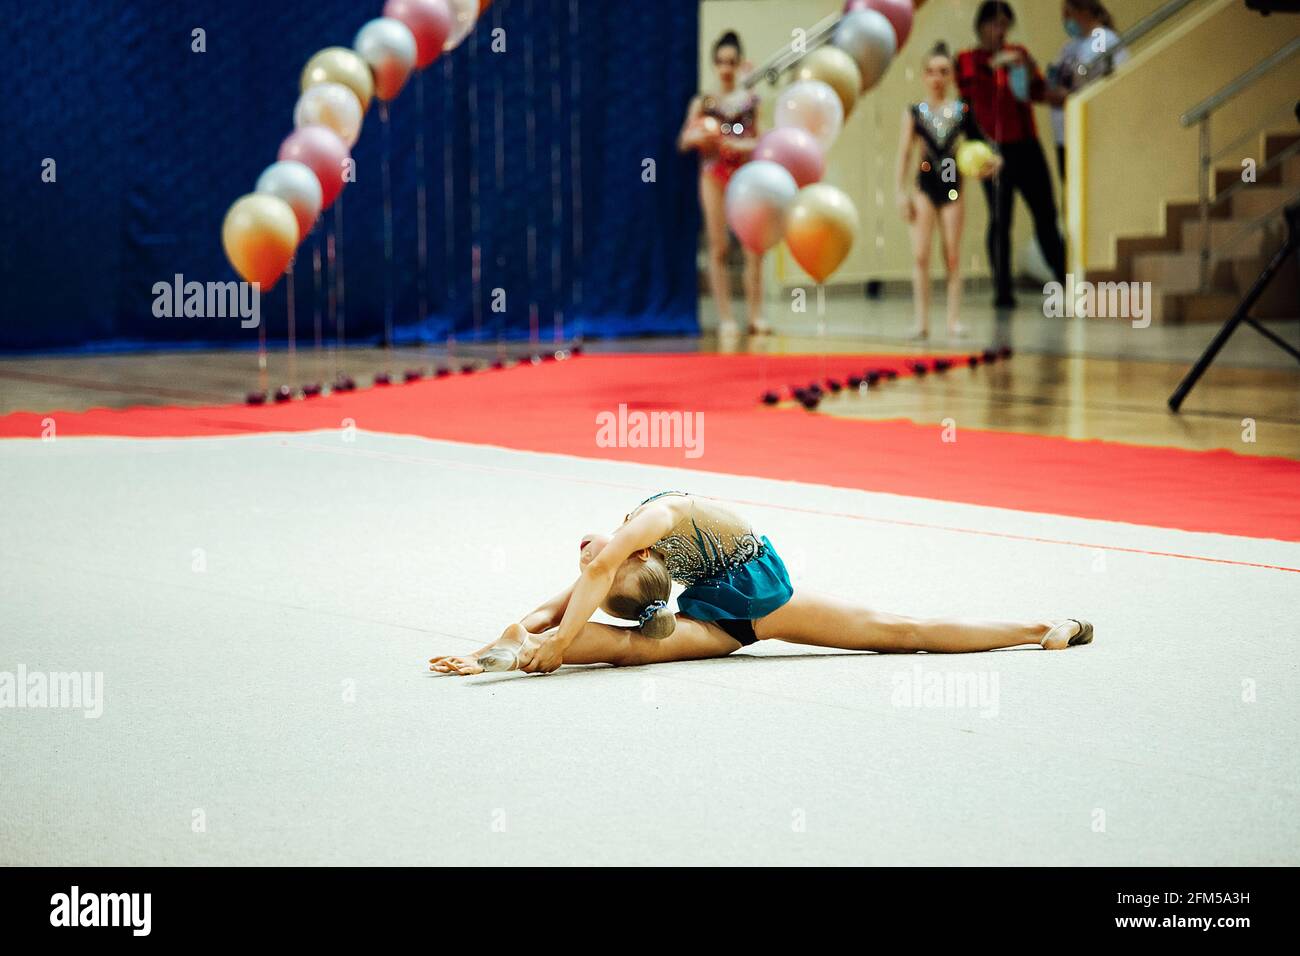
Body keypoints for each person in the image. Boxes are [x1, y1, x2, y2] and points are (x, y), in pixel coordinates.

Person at [429, 491, 1094, 676]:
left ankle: (1043, 624)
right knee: (628, 649)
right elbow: (556, 606)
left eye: (594, 563)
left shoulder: (654, 517)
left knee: (900, 633)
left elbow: (594, 579)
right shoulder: (627, 563)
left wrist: (556, 634)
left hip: (756, 592)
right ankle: (519, 658)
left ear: (633, 557)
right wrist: (502, 647)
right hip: (721, 617)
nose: (585, 559)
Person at [956, 1, 1067, 308]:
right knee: (1000, 220)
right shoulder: (968, 59)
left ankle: (1065, 281)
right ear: (980, 27)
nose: (999, 30)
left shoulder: (1019, 54)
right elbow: (969, 95)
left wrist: (1028, 68)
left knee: (1046, 214)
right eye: (993, 24)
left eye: (1005, 24)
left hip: (1027, 145)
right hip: (993, 149)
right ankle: (1002, 290)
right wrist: (993, 66)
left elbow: (1037, 90)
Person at [895, 42, 1000, 340]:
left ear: (953, 75)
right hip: (924, 186)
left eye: (943, 71)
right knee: (920, 255)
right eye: (930, 72)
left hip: (953, 186)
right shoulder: (915, 112)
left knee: (952, 255)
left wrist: (990, 164)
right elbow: (904, 153)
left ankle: (953, 320)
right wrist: (899, 192)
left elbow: (984, 146)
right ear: (923, 77)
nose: (936, 78)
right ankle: (921, 322)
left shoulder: (962, 111)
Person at [678, 31, 767, 336]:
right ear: (714, 65)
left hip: (744, 177)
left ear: (739, 63)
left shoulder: (749, 101)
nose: (726, 68)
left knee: (753, 246)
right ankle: (726, 317)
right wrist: (702, 137)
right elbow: (685, 140)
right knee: (719, 247)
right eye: (720, 62)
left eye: (731, 62)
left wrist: (737, 145)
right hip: (714, 176)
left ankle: (756, 315)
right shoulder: (704, 103)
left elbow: (759, 140)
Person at [1048, 0, 1127, 181]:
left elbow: (1100, 77)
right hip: (1065, 134)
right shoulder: (1070, 46)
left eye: (1068, 13)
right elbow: (1054, 79)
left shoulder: (1102, 38)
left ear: (1084, 11)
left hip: (1092, 132)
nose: (1064, 20)